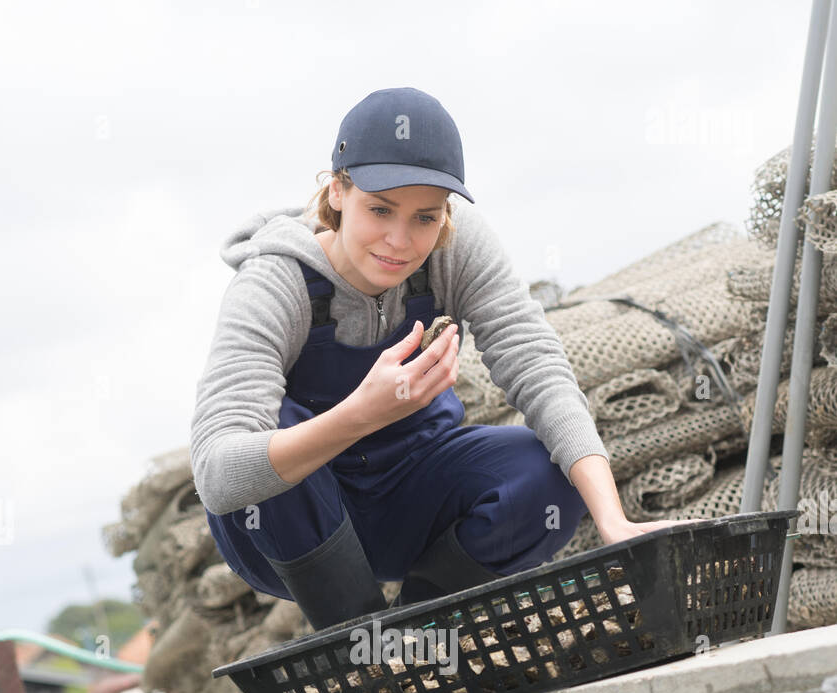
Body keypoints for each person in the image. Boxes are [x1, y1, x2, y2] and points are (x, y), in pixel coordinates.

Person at [190, 86, 671, 632]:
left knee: (548, 472)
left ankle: (417, 636)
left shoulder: (456, 245)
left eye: (425, 217)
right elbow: (217, 474)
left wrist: (611, 518)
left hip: (411, 501)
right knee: (272, 432)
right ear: (339, 190)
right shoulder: (274, 281)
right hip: (292, 528)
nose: (400, 240)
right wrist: (359, 415)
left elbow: (536, 363)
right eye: (380, 209)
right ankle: (361, 647)